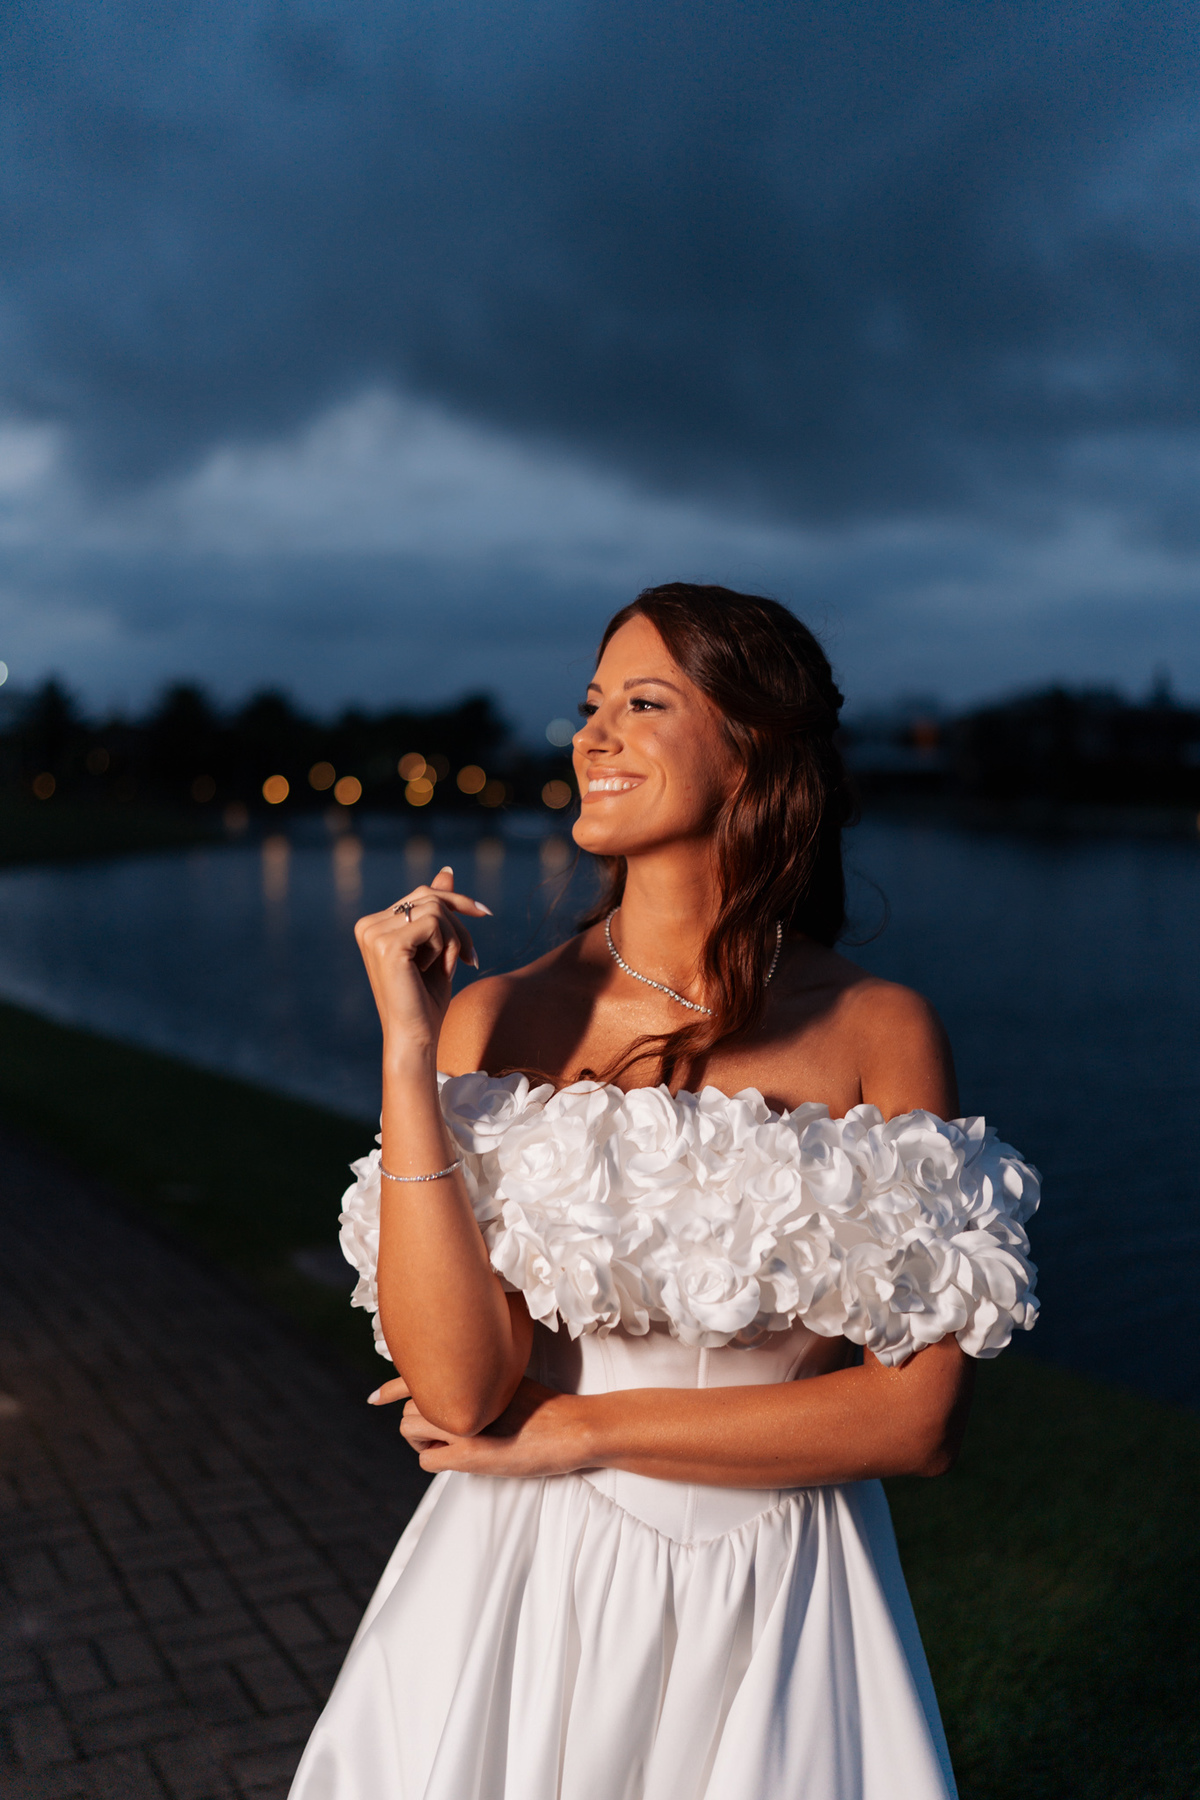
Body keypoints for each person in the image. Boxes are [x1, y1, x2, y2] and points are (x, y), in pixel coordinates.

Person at [289, 584, 1039, 1800]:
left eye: (644, 703)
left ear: (753, 753)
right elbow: (464, 1393)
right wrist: (405, 1049)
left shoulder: (878, 1030)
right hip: (520, 1581)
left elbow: (916, 1422)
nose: (592, 735)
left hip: (781, 1591)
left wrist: (578, 1429)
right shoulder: (497, 1014)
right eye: (590, 706)